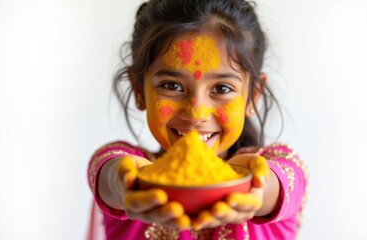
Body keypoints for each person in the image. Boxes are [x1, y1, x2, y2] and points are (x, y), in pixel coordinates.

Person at [87, 0, 308, 239]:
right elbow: (109, 175)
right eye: (172, 86)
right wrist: (125, 186)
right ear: (139, 91)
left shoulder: (279, 164)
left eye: (222, 88)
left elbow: (280, 184)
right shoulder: (130, 168)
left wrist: (255, 190)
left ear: (253, 97)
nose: (196, 113)